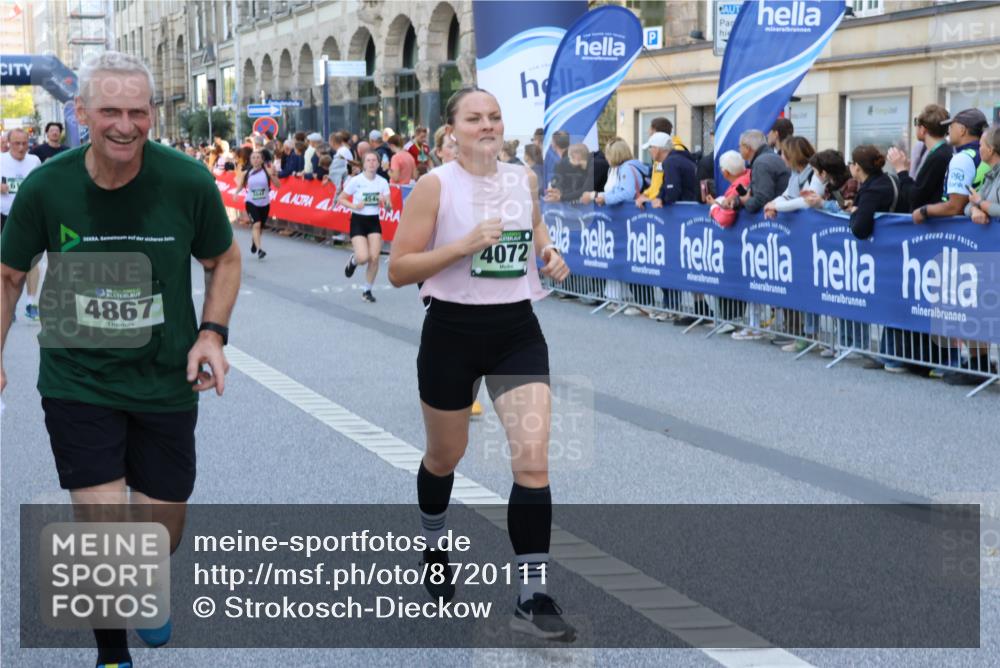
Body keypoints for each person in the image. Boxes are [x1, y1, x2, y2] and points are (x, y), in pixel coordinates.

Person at [0, 50, 240, 668]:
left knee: (163, 530)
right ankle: (111, 654)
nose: (125, 125)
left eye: (138, 112)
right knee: (103, 525)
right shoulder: (46, 187)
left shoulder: (186, 181)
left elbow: (224, 260)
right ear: (81, 113)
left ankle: (143, 582)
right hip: (77, 377)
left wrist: (211, 332)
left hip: (164, 379)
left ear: (152, 115)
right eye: (110, 111)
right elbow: (8, 276)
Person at [388, 86, 574, 642]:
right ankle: (435, 541)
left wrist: (549, 252)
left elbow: (535, 229)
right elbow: (400, 269)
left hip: (517, 329)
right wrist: (462, 245)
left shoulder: (523, 178)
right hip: (451, 330)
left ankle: (532, 595)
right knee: (447, 455)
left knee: (534, 462)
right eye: (475, 118)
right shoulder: (434, 186)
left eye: (494, 116)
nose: (487, 125)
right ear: (452, 130)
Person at [847, 144, 912, 372]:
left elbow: (861, 228)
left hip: (888, 252)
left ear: (857, 167)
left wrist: (853, 215)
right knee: (894, 302)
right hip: (900, 248)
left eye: (851, 163)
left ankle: (894, 357)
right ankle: (887, 353)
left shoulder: (872, 189)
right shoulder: (890, 180)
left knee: (893, 302)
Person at [912, 108, 988, 224]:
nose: (948, 130)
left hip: (958, 231)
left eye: (951, 126)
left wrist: (924, 211)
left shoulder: (962, 158)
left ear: (962, 130)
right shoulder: (987, 154)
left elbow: (955, 207)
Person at [1, 129, 42, 320]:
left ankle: (31, 303)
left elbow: (43, 186)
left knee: (32, 260)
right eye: (16, 143)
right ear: (8, 143)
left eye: (24, 143)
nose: (21, 148)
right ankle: (7, 305)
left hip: (28, 217)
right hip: (4, 215)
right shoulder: (1, 161)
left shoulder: (34, 161)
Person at [340, 152, 392, 303]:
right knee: (363, 258)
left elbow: (389, 208)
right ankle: (354, 260)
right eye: (368, 160)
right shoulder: (356, 180)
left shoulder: (382, 182)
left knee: (374, 258)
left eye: (374, 160)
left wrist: (384, 201)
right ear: (363, 164)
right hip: (358, 220)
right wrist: (355, 205)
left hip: (374, 221)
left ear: (378, 163)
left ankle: (367, 290)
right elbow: (341, 199)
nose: (371, 163)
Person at [888, 104, 952, 210]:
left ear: (922, 129)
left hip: (933, 224)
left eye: (916, 124)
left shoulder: (938, 157)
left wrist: (900, 169)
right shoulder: (944, 152)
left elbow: (916, 197)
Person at [239, 148, 280, 260]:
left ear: (262, 160)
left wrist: (273, 175)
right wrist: (235, 194)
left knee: (260, 227)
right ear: (250, 160)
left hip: (265, 203)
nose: (256, 160)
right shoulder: (246, 172)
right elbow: (240, 185)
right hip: (251, 202)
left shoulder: (268, 171)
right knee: (256, 224)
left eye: (258, 158)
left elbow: (278, 185)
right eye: (253, 158)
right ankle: (260, 250)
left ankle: (254, 242)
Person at [801, 149, 858, 214]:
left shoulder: (851, 183)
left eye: (815, 171)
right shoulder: (832, 184)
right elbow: (841, 203)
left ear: (823, 173)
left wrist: (822, 202)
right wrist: (815, 199)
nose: (814, 175)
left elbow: (847, 210)